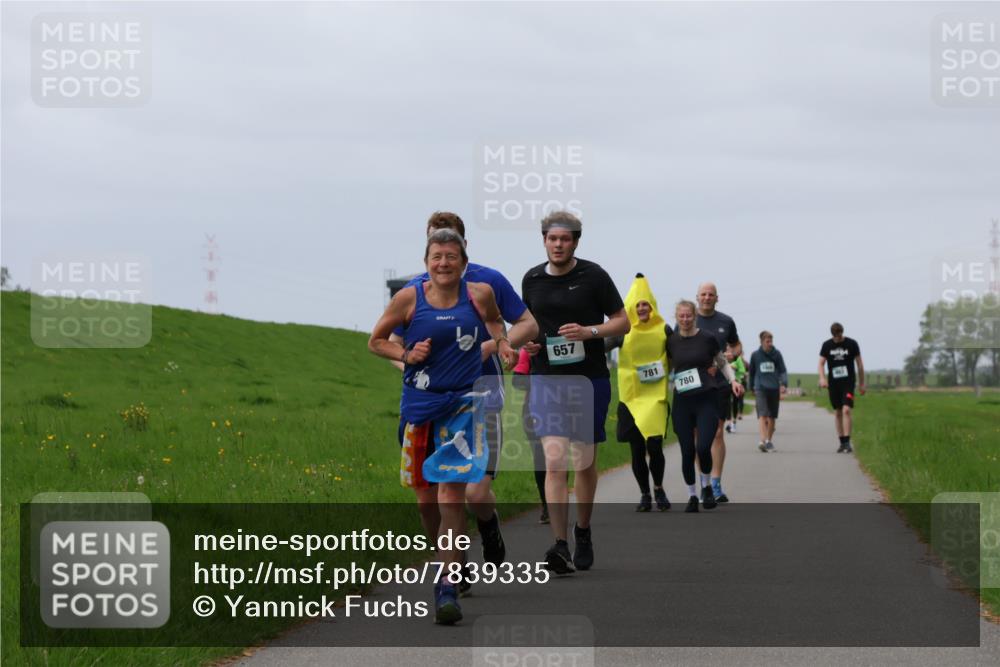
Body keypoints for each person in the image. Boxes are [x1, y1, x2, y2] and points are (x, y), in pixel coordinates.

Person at [369, 228, 536, 624]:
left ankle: (446, 584)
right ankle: (451, 558)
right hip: (421, 408)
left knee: (450, 496)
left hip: (464, 407)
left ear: (463, 261)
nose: (443, 263)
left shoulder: (479, 293)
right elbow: (376, 341)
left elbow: (496, 323)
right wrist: (407, 354)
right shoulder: (409, 297)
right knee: (427, 502)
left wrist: (502, 344)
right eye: (436, 257)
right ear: (426, 263)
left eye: (450, 256)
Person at [522, 211, 630, 574]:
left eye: (565, 239)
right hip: (546, 379)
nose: (558, 245)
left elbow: (622, 321)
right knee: (554, 461)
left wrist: (590, 332)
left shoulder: (594, 276)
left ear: (575, 242)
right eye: (552, 239)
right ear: (544, 240)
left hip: (588, 379)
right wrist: (529, 346)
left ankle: (582, 530)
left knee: (583, 461)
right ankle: (560, 543)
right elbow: (528, 326)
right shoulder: (532, 279)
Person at [668, 300, 744, 512]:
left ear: (694, 316)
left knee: (703, 446)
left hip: (706, 399)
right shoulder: (671, 341)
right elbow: (664, 365)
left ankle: (707, 486)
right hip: (682, 402)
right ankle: (692, 495)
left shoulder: (707, 338)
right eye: (681, 316)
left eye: (688, 316)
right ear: (677, 318)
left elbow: (721, 362)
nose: (685, 319)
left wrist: (733, 381)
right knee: (687, 451)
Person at [605, 273, 671, 512]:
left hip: (655, 398)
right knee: (637, 450)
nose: (642, 308)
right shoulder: (623, 331)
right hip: (631, 398)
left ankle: (659, 489)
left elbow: (679, 352)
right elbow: (602, 346)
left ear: (652, 306)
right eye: (638, 305)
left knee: (655, 447)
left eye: (646, 304)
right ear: (631, 307)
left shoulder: (664, 329)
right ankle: (644, 493)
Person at [695, 282, 741, 503]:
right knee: (698, 436)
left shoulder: (726, 321)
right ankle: (703, 481)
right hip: (695, 385)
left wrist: (733, 355)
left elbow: (737, 345)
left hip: (720, 384)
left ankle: (715, 482)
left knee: (717, 432)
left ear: (717, 298)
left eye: (710, 294)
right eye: (703, 294)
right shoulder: (687, 319)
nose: (707, 297)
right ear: (697, 297)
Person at [818, 322, 865, 453]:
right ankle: (842, 442)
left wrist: (862, 383)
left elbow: (860, 365)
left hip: (848, 383)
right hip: (834, 384)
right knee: (838, 411)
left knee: (846, 410)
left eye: (839, 335)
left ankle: (848, 441)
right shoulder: (826, 345)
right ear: (832, 335)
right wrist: (822, 378)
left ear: (842, 333)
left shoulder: (852, 344)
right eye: (835, 336)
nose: (837, 338)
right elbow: (821, 363)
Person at [748, 331, 788, 452]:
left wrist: (784, 384)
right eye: (767, 341)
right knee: (763, 414)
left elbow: (782, 370)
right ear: (761, 341)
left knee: (772, 416)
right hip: (760, 388)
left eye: (771, 341)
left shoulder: (777, 354)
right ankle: (763, 440)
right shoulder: (755, 355)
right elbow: (752, 372)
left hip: (774, 388)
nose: (770, 343)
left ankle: (768, 440)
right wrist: (751, 387)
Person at [725, 348, 748, 433]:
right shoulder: (723, 358)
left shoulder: (737, 359)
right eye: (727, 350)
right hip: (726, 383)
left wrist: (735, 367)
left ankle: (734, 422)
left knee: (735, 402)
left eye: (730, 351)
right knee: (727, 402)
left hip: (736, 382)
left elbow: (743, 370)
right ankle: (729, 422)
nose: (729, 353)